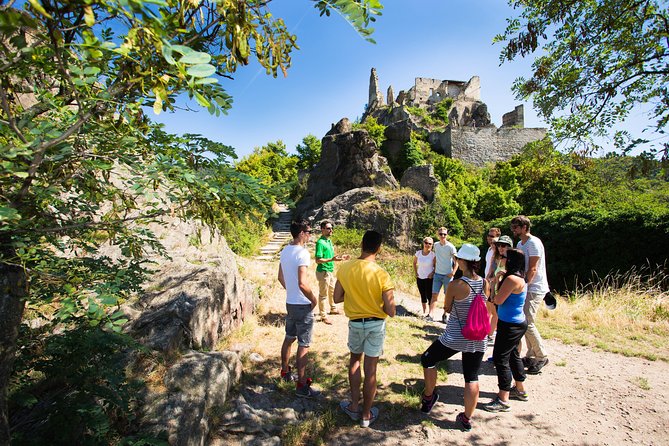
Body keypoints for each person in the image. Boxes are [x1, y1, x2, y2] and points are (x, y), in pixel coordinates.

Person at [419, 243, 489, 432]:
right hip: (478, 337)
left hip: (456, 336)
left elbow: (447, 308)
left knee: (428, 359)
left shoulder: (456, 285)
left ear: (462, 261)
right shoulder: (485, 282)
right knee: (471, 377)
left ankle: (428, 397)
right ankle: (466, 419)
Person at [334, 230, 396, 428]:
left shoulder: (345, 268)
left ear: (361, 244)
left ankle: (353, 406)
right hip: (376, 324)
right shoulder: (381, 274)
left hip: (355, 323)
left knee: (354, 360)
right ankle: (366, 415)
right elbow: (392, 310)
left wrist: (354, 296)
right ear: (379, 248)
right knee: (371, 370)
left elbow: (336, 297)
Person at [277, 220, 320, 397]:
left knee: (289, 337)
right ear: (301, 233)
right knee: (304, 344)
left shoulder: (285, 251)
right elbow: (303, 283)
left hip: (290, 302)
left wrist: (292, 291)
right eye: (308, 231)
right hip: (303, 304)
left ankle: (285, 372)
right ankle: (302, 385)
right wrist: (313, 299)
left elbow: (280, 277)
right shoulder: (302, 253)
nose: (310, 234)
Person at [484, 248, 529, 412]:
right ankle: (520, 389)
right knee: (513, 356)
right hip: (515, 322)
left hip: (510, 325)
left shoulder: (511, 279)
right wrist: (498, 279)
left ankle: (503, 399)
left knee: (500, 358)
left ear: (509, 261)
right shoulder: (516, 277)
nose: (500, 258)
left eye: (503, 257)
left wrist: (495, 282)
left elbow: (497, 300)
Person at [510, 215, 550, 374]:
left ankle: (542, 356)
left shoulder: (533, 242)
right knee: (525, 322)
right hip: (526, 286)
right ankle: (531, 354)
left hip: (534, 287)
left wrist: (524, 285)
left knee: (527, 321)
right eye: (513, 226)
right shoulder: (520, 243)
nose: (513, 229)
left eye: (516, 227)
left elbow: (533, 268)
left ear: (525, 227)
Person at [314, 220, 349, 325]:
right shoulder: (320, 243)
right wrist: (331, 260)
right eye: (328, 228)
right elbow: (318, 260)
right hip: (323, 271)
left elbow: (330, 257)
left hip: (330, 270)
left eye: (331, 228)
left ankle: (333, 308)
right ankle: (323, 316)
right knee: (323, 294)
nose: (331, 230)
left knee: (332, 291)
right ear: (322, 229)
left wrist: (339, 258)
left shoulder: (328, 241)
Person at [430, 227, 458, 322]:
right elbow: (435, 258)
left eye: (444, 234)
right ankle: (431, 315)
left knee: (448, 297)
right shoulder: (436, 245)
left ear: (447, 235)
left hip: (447, 275)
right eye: (441, 234)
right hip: (437, 274)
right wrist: (433, 270)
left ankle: (445, 315)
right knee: (434, 295)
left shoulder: (451, 246)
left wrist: (453, 272)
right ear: (438, 234)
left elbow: (456, 261)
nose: (442, 236)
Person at [484, 228, 501, 341]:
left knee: (494, 310)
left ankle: (491, 334)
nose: (490, 238)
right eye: (489, 236)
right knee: (488, 309)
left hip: (495, 282)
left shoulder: (499, 251)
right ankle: (487, 331)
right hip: (488, 282)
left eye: (493, 236)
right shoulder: (490, 249)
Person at [414, 236, 436, 317]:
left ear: (432, 245)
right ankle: (424, 312)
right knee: (422, 295)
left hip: (429, 278)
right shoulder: (418, 253)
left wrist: (432, 273)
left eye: (430, 244)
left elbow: (436, 266)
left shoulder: (433, 255)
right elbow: (414, 263)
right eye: (426, 243)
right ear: (423, 243)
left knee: (429, 296)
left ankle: (430, 314)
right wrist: (416, 273)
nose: (428, 245)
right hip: (420, 277)